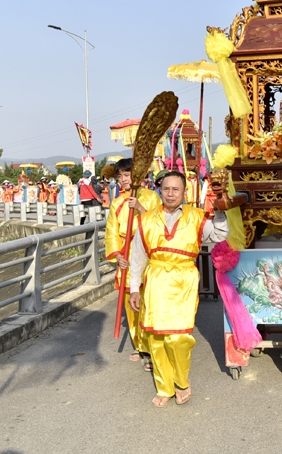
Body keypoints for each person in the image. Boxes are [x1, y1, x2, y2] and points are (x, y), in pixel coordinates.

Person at [128, 170, 229, 408]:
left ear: (185, 192)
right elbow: (137, 257)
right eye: (166, 189)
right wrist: (134, 288)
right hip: (155, 281)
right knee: (156, 338)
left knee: (179, 336)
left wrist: (222, 210)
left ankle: (181, 381)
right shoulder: (145, 220)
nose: (171, 194)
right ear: (159, 190)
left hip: (184, 281)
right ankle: (164, 387)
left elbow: (220, 234)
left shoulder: (196, 217)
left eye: (176, 189)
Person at [105, 159, 162, 370]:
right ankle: (140, 345)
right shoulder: (116, 202)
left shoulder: (152, 197)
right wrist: (117, 255)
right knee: (131, 305)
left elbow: (158, 224)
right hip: (127, 254)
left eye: (126, 175)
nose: (123, 180)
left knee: (148, 301)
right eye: (119, 176)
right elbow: (111, 232)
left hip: (147, 254)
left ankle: (152, 347)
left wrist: (140, 208)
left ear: (137, 176)